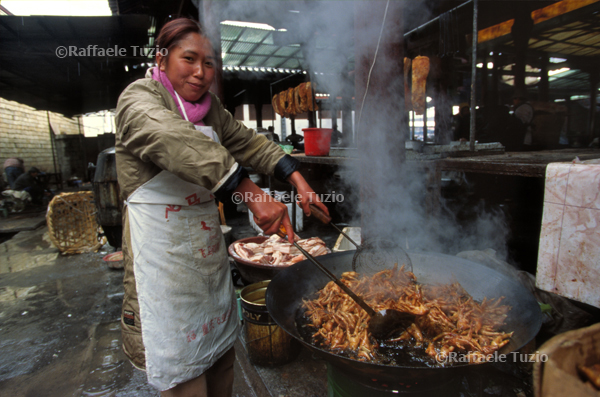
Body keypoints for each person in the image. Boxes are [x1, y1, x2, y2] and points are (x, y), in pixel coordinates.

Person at [114, 18, 329, 397]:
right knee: (186, 377)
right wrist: (247, 190)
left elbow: (248, 143)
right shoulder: (139, 99)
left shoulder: (210, 110)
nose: (201, 73)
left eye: (210, 62)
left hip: (206, 259)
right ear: (162, 59)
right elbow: (172, 138)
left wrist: (297, 179)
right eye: (189, 59)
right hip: (162, 269)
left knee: (221, 358)